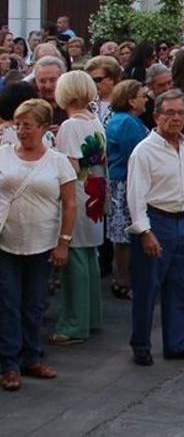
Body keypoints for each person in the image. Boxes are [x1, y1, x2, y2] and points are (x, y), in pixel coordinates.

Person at [0, 100, 77, 390]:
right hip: (5, 242)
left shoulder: (57, 161)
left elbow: (70, 204)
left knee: (34, 305)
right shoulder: (3, 155)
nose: (21, 131)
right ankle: (9, 363)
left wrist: (64, 243)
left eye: (27, 125)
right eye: (18, 124)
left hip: (42, 243)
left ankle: (31, 357)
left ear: (44, 128)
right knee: (7, 304)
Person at [126, 89, 184, 366]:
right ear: (157, 116)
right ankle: (141, 344)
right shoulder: (144, 152)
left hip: (183, 220)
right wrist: (145, 231)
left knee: (181, 285)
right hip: (156, 221)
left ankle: (178, 342)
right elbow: (135, 196)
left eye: (180, 113)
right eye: (169, 113)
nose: (175, 118)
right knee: (148, 288)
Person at [47, 71, 107, 346]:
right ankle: (91, 317)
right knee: (90, 257)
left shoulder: (71, 125)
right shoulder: (94, 120)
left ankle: (74, 323)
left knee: (75, 259)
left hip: (79, 194)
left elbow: (69, 168)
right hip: (96, 191)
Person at [104, 81, 150, 301]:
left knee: (122, 233)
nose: (146, 99)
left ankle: (122, 277)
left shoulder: (121, 120)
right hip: (125, 182)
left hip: (120, 180)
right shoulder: (128, 123)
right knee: (124, 234)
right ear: (131, 100)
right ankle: (123, 279)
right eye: (142, 95)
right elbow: (137, 155)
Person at [84, 55, 121, 125]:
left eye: (97, 80)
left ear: (112, 78)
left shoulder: (125, 103)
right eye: (90, 80)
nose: (93, 84)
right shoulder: (86, 104)